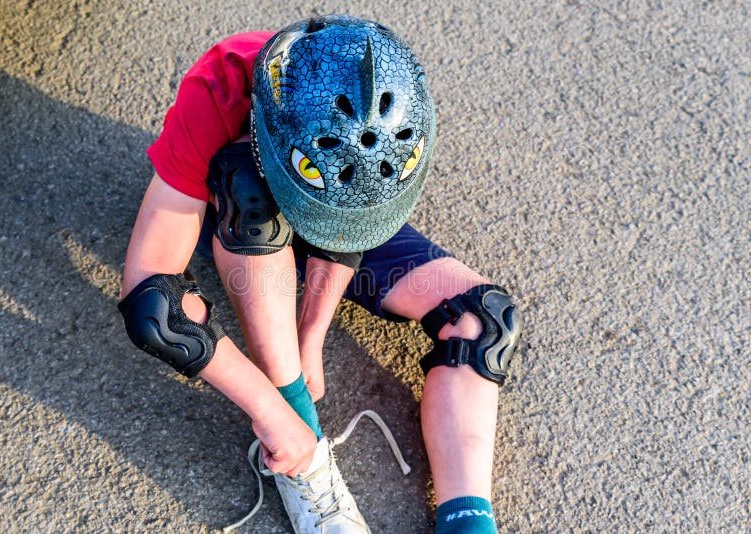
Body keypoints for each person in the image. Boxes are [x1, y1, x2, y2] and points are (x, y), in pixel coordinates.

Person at [118, 15, 522, 534]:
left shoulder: (401, 100)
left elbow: (353, 229)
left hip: (332, 194)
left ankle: (468, 525)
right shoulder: (221, 87)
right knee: (251, 200)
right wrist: (273, 412)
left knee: (483, 321)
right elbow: (152, 300)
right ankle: (301, 452)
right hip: (245, 203)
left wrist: (313, 331)